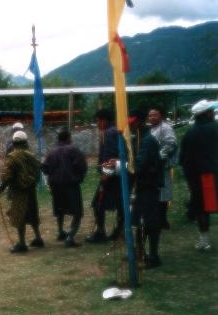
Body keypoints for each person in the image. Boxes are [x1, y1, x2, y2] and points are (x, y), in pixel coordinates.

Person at [126, 110, 164, 268]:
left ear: (140, 122)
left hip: (148, 185)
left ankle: (153, 256)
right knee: (137, 221)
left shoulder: (148, 140)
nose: (130, 125)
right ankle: (140, 252)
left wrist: (121, 166)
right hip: (141, 186)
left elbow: (140, 165)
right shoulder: (138, 139)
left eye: (133, 122)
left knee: (150, 222)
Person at [180, 99, 218, 251]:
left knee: (202, 209)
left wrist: (189, 178)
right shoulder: (215, 129)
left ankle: (204, 241)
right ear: (207, 114)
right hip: (214, 173)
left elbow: (184, 159)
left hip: (199, 177)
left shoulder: (189, 134)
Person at [0, 130, 44, 253]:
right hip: (31, 190)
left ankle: (22, 244)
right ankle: (38, 238)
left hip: (19, 191)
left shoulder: (12, 157)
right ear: (25, 142)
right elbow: (39, 169)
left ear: (14, 142)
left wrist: (0, 189)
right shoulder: (31, 155)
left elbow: (7, 176)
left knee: (19, 216)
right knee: (33, 214)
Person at [41, 129, 88, 247]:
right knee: (77, 212)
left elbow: (45, 168)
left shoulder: (51, 152)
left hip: (55, 185)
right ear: (68, 138)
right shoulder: (73, 150)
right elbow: (82, 166)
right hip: (70, 185)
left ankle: (61, 231)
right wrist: (79, 177)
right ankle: (70, 237)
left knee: (59, 209)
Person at [86, 109, 124, 243]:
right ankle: (119, 231)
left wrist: (106, 173)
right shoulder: (114, 131)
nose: (96, 124)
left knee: (98, 203)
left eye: (97, 121)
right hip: (119, 174)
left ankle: (101, 233)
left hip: (111, 175)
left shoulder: (108, 133)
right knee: (120, 203)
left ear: (104, 120)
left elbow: (111, 155)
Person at [148, 107, 178, 229]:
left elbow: (171, 143)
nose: (152, 117)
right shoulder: (150, 128)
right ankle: (157, 219)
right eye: (150, 115)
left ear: (161, 116)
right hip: (152, 168)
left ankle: (163, 220)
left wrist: (159, 157)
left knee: (163, 194)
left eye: (155, 115)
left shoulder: (166, 128)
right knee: (155, 194)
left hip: (162, 166)